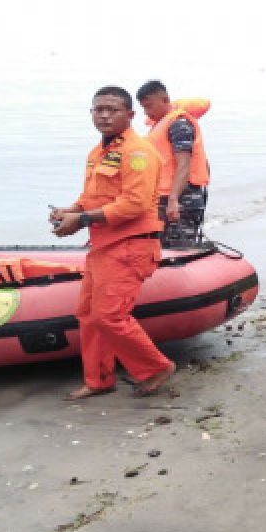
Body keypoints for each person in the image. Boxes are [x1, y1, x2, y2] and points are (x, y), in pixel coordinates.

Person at [50, 86, 175, 402]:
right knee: (89, 315)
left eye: (112, 109)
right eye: (98, 109)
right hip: (103, 246)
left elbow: (134, 203)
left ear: (130, 115)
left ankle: (155, 368)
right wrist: (72, 211)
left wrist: (82, 220)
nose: (104, 115)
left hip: (131, 246)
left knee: (109, 316)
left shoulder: (139, 153)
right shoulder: (98, 153)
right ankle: (98, 379)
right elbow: (91, 196)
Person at [137, 80, 210, 248]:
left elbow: (184, 164)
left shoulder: (179, 124)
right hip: (163, 198)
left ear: (165, 99)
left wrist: (173, 200)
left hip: (183, 199)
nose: (147, 113)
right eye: (143, 108)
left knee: (179, 250)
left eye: (150, 106)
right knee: (160, 248)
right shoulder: (160, 124)